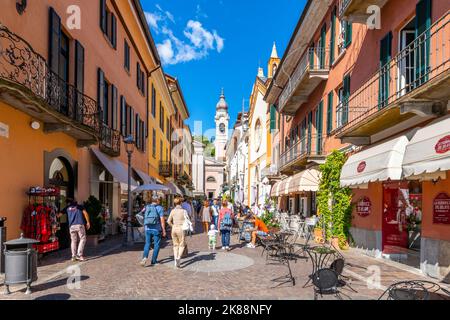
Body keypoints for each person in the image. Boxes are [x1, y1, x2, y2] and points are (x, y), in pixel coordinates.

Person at [139, 195, 166, 267]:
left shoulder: (146, 207)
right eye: (159, 200)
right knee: (156, 244)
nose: (159, 201)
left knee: (147, 243)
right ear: (157, 200)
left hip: (147, 228)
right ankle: (153, 261)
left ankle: (144, 257)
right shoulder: (160, 208)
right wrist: (163, 230)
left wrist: (144, 223)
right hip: (156, 229)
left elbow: (140, 214)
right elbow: (162, 220)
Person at [167, 197, 188, 268]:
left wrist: (173, 226)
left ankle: (175, 258)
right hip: (181, 228)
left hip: (174, 228)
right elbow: (187, 220)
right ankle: (178, 257)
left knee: (175, 245)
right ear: (181, 203)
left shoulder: (172, 211)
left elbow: (168, 221)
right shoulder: (184, 211)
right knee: (181, 244)